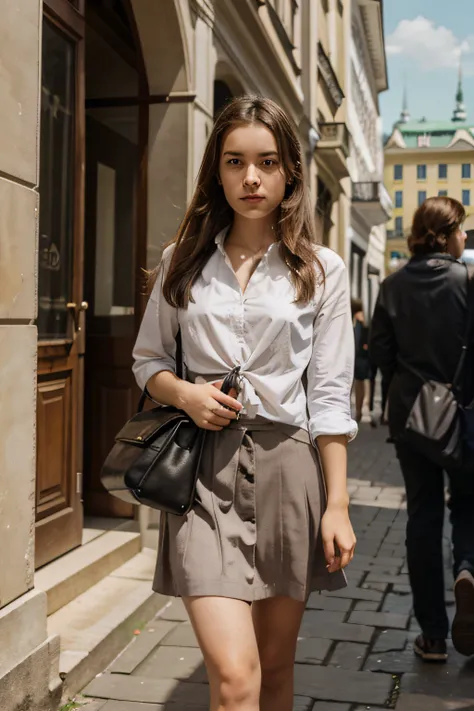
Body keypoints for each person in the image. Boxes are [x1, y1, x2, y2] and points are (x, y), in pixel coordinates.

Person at [132, 95, 357, 711]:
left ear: (289, 173)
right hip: (202, 472)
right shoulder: (182, 261)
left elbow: (331, 394)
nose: (251, 177)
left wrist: (336, 504)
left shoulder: (322, 269)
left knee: (277, 670)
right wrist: (184, 393)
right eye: (235, 161)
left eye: (267, 161)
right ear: (218, 169)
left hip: (290, 468)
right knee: (235, 677)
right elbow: (147, 360)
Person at [370, 196, 474, 663]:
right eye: (462, 230)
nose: (465, 238)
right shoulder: (468, 279)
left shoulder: (391, 286)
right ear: (449, 232)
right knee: (469, 507)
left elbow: (380, 358)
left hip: (412, 418)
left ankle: (432, 634)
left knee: (422, 519)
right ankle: (468, 571)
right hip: (465, 413)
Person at [351, 298, 371, 423]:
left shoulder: (358, 321)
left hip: (357, 357)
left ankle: (358, 410)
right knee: (359, 383)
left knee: (358, 383)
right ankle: (358, 409)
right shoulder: (357, 321)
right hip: (359, 357)